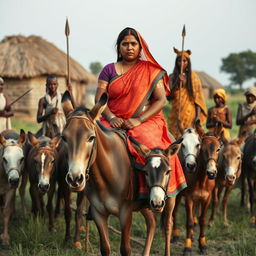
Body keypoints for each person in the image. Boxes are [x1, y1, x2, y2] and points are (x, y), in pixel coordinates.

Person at [95, 27, 186, 199]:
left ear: (140, 47)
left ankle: (150, 193)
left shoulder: (151, 71)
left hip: (146, 120)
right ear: (119, 48)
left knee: (149, 146)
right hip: (112, 119)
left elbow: (161, 101)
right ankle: (94, 194)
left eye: (133, 44)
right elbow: (99, 100)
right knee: (92, 143)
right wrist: (112, 117)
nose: (129, 47)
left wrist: (138, 120)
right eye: (125, 44)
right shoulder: (108, 70)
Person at [167, 48, 207, 139]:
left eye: (184, 61)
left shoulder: (194, 77)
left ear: (188, 62)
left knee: (190, 140)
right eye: (179, 61)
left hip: (190, 115)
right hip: (176, 115)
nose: (182, 63)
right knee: (175, 140)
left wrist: (197, 117)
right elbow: (168, 96)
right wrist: (177, 81)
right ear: (176, 63)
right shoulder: (172, 77)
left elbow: (198, 100)